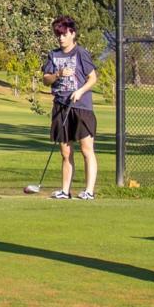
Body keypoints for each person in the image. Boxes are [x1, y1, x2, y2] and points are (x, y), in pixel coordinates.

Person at [40, 15, 99, 200]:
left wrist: (80, 91)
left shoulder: (81, 53)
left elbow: (93, 78)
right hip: (61, 105)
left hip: (81, 106)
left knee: (86, 148)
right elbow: (45, 79)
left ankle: (89, 191)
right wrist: (57, 74)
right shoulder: (53, 55)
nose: (61, 38)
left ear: (72, 34)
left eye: (64, 34)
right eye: (58, 35)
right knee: (66, 152)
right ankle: (65, 191)